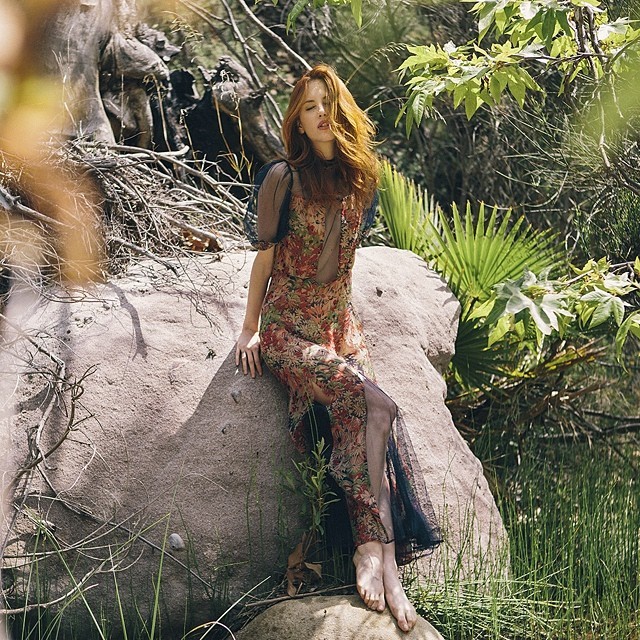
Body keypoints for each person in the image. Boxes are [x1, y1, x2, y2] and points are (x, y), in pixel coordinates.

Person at [235, 63, 442, 633]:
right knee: (377, 404)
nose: (321, 113)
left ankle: (383, 562)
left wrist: (345, 338)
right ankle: (376, 556)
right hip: (288, 331)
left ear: (342, 109)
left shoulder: (361, 177)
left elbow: (343, 266)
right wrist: (250, 328)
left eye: (328, 102)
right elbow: (264, 259)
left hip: (341, 330)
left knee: (366, 424)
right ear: (297, 121)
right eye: (309, 106)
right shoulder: (282, 178)